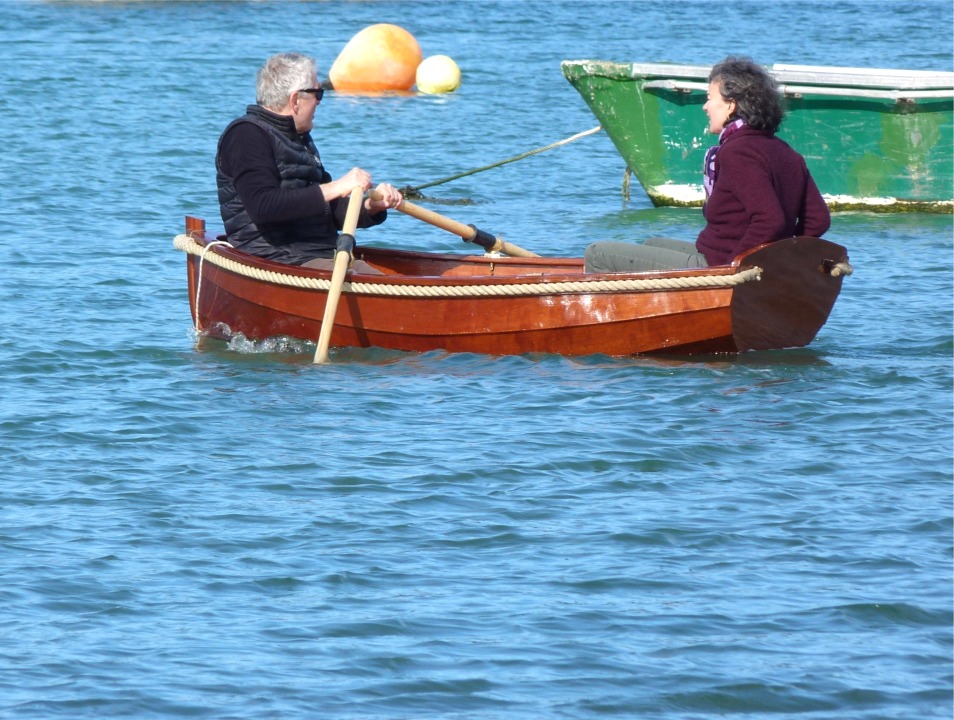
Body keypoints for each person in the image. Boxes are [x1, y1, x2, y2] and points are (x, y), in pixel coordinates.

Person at [584, 56, 830, 273]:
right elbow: (818, 220)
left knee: (598, 253)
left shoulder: (737, 152)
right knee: (652, 244)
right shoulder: (786, 151)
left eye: (710, 98)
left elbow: (770, 220)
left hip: (718, 264)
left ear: (731, 105)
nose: (705, 106)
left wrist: (735, 267)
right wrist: (781, 258)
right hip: (728, 258)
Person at [216, 52, 403, 273]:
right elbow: (264, 206)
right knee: (383, 285)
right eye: (318, 93)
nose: (319, 102)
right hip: (277, 258)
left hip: (319, 253)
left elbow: (328, 211)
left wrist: (370, 206)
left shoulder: (299, 138)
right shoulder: (247, 135)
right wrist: (336, 187)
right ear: (296, 100)